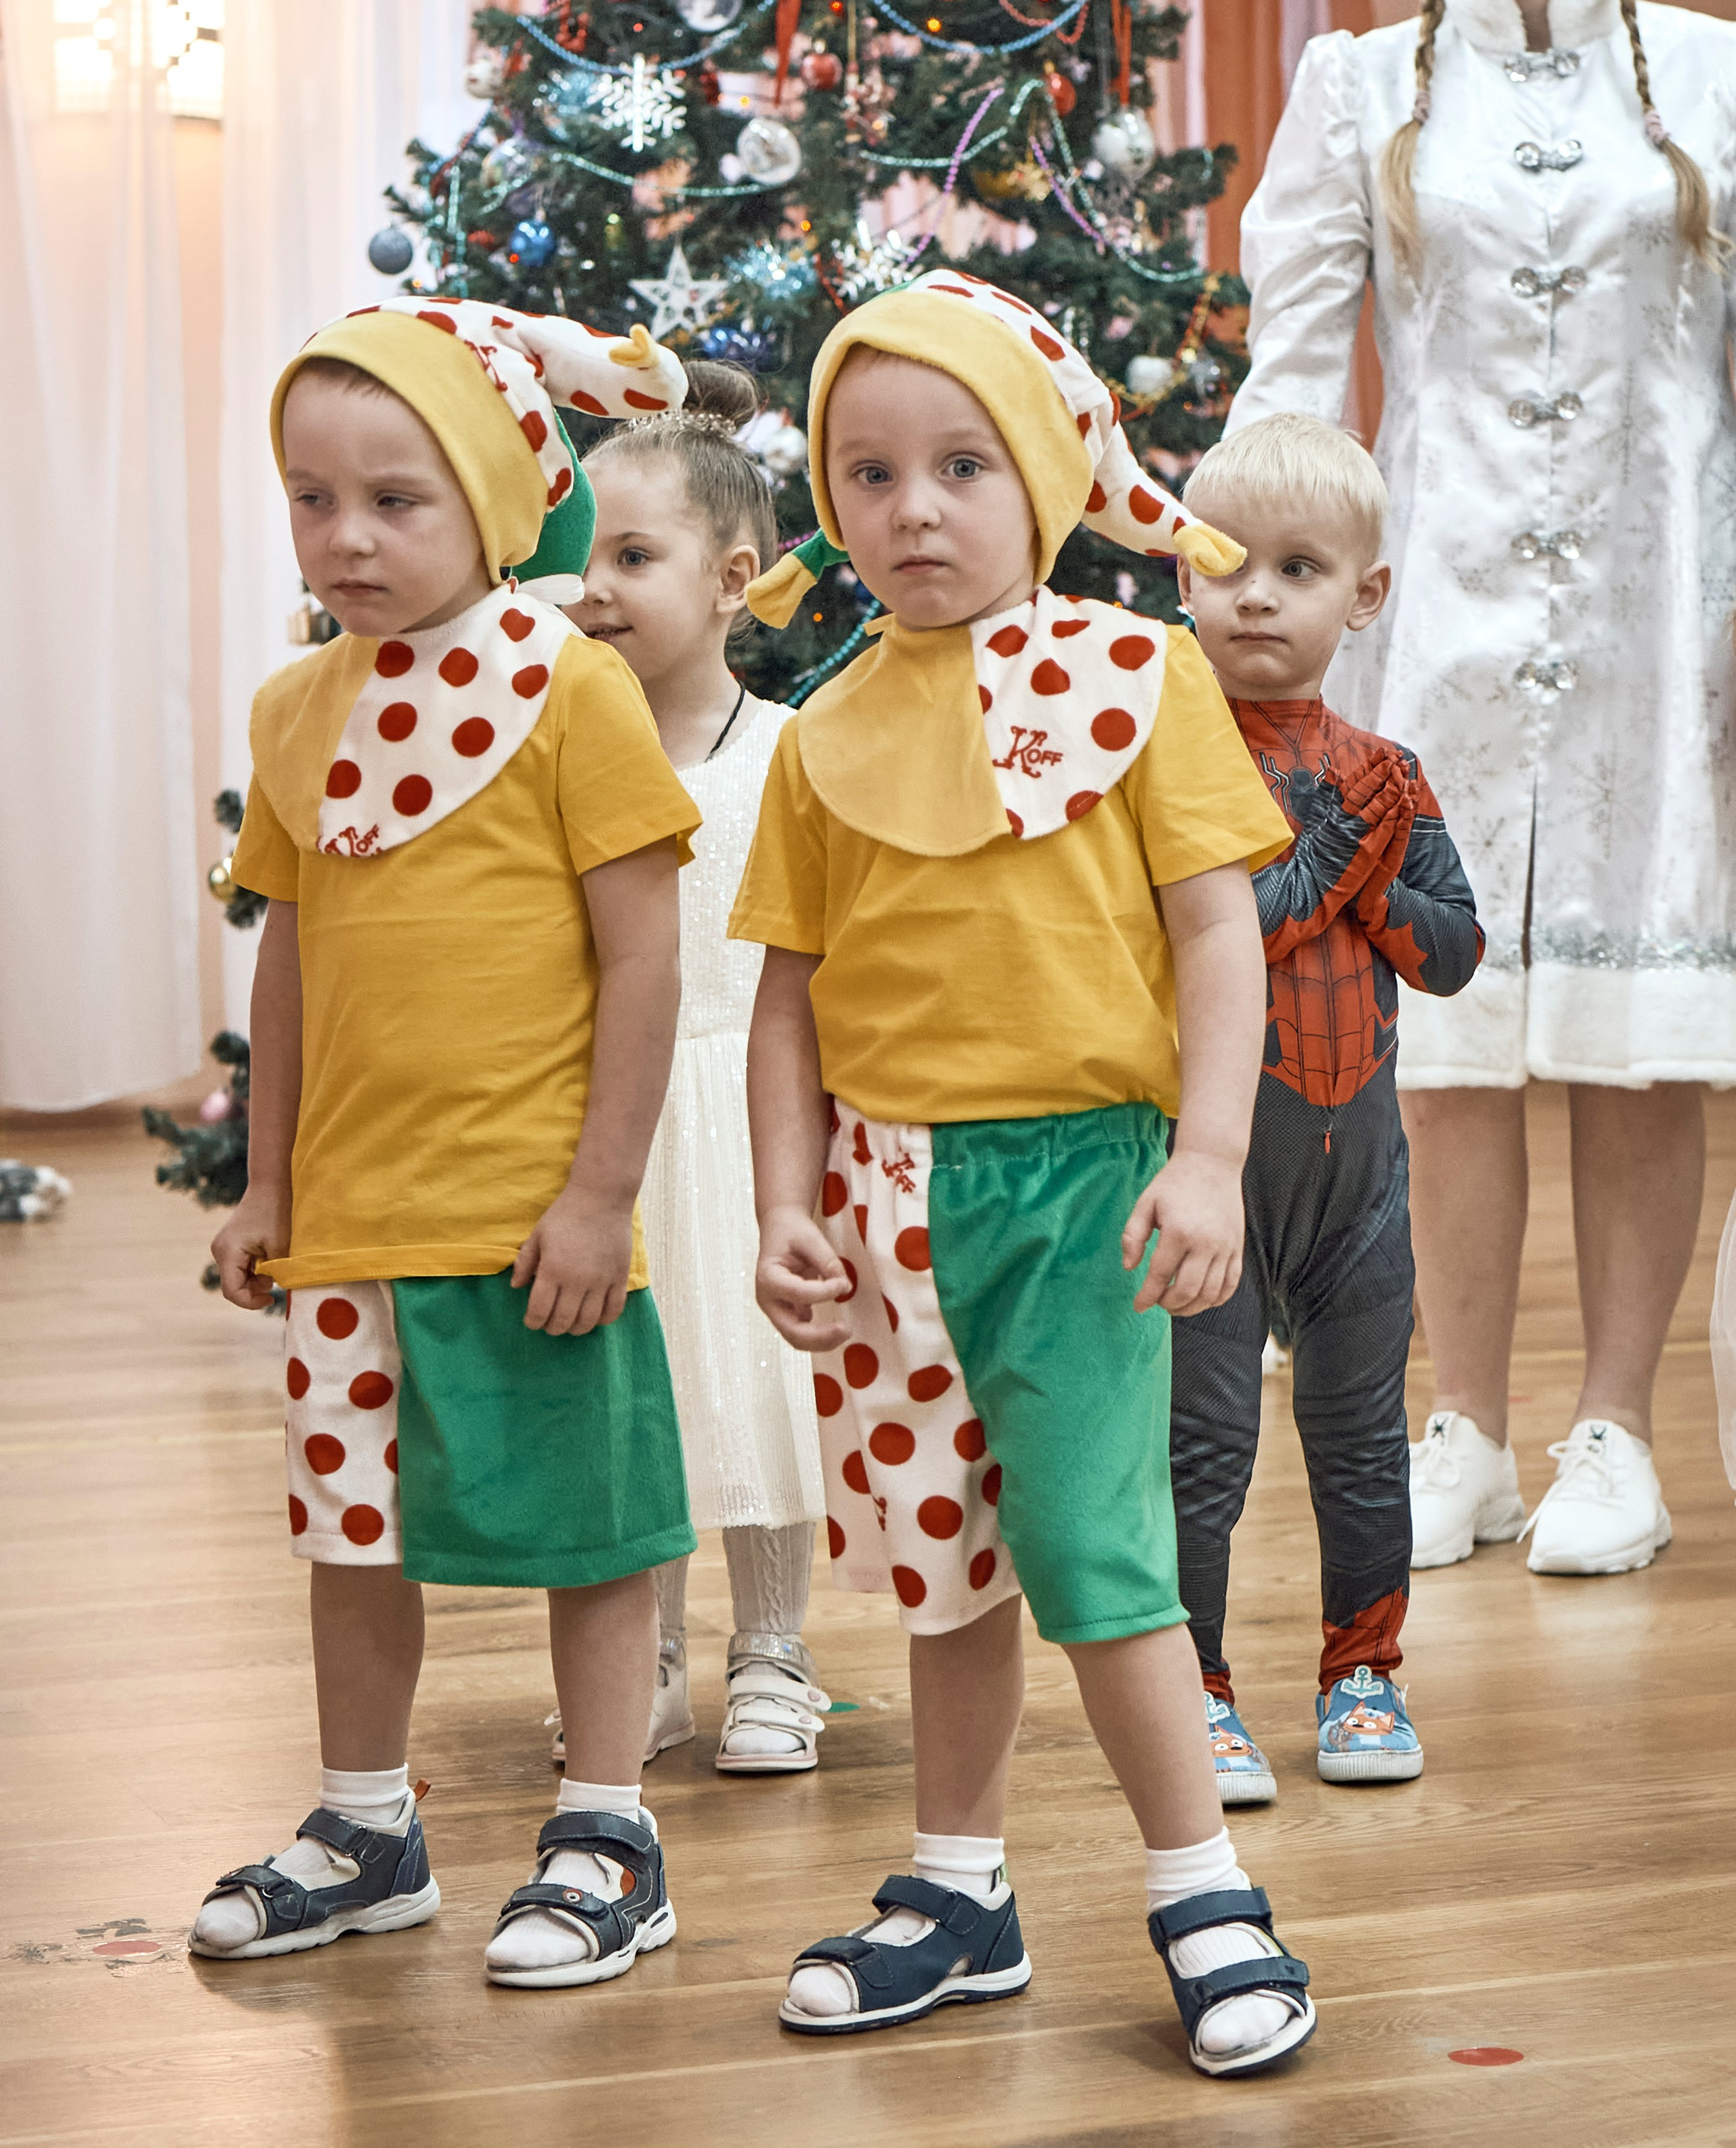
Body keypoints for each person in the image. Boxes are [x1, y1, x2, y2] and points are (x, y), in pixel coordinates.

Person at [729, 268, 1318, 2082]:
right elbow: (788, 1001)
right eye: (872, 473)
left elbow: (1219, 936)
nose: (915, 509)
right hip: (887, 1196)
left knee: (1094, 1551)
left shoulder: (1142, 677)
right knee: (943, 1566)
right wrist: (783, 1203)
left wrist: (1208, 1159)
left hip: (1080, 1189)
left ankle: (1203, 1882)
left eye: (964, 465)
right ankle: (959, 1887)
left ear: (1049, 477)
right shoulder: (823, 732)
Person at [1226, 0, 1736, 1578]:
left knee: (1634, 1035)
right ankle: (1463, 1423)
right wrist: (1261, 601)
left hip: (1661, 617)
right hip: (1427, 612)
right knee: (1440, 1041)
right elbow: (1294, 371)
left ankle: (1616, 1430)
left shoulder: (1713, 80)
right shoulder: (1362, 87)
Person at [192, 298, 705, 1994]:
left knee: (593, 1524)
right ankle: (365, 1826)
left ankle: (606, 1828)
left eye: (395, 500)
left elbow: (643, 947)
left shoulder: (572, 689)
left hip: (528, 1221)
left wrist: (597, 1195)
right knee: (354, 1534)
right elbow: (291, 950)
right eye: (311, 498)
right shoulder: (291, 714)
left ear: (490, 499)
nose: (346, 537)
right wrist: (265, 1182)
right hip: (349, 1221)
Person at [1170, 416, 1482, 1805]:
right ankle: (1196, 1691)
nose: (1252, 593)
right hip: (1210, 1167)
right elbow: (1212, 938)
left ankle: (1363, 1675)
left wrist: (1357, 876)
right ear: (1180, 575)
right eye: (1225, 563)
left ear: (1361, 594)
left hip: (1360, 1170)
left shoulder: (1387, 770)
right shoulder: (1161, 764)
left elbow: (1454, 952)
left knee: (1361, 1442)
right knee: (1203, 1443)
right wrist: (1336, 869)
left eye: (1293, 568)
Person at [555, 365, 829, 1777]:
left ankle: (772, 1648)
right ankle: (644, 1658)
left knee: (769, 1391)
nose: (590, 588)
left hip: (752, 1113)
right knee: (636, 1392)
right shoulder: (554, 754)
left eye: (632, 557)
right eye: (580, 556)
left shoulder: (790, 756)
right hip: (618, 1122)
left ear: (732, 579)